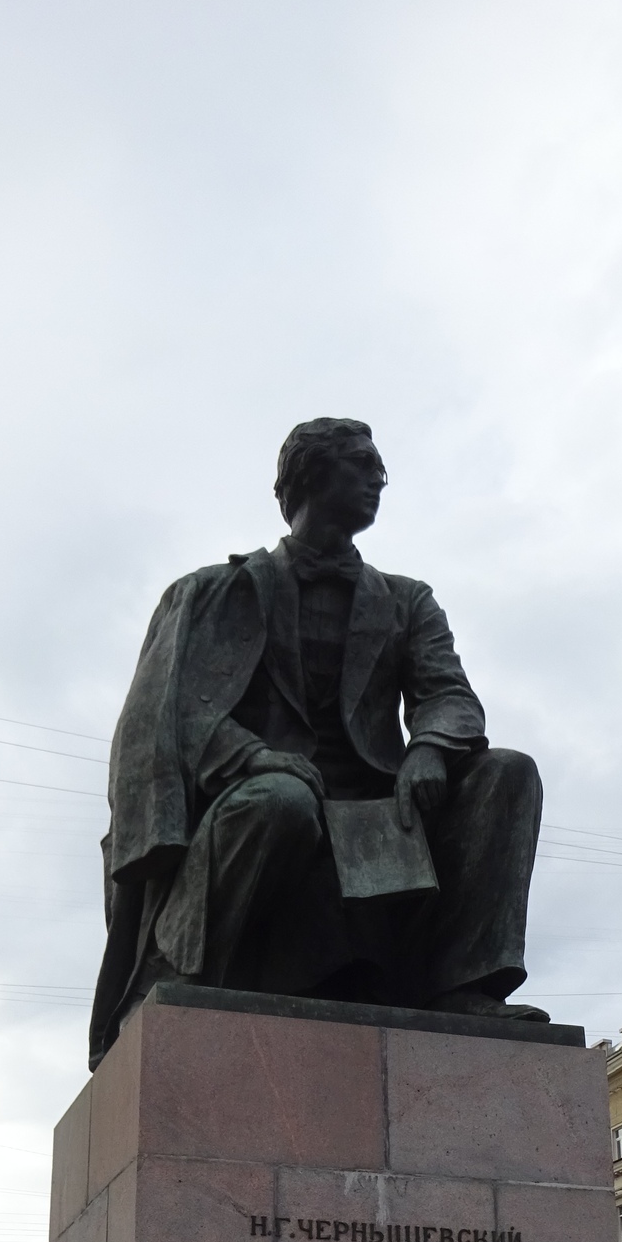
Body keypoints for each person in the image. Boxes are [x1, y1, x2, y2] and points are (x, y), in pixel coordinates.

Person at [89, 418, 546, 1067]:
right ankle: (197, 978)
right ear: (309, 476)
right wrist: (253, 758)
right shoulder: (214, 592)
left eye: (378, 466)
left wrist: (430, 748)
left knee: (508, 772)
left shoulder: (406, 601)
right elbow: (176, 716)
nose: (378, 478)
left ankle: (464, 986)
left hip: (380, 806)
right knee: (279, 800)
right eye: (361, 464)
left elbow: (447, 694)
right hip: (259, 798)